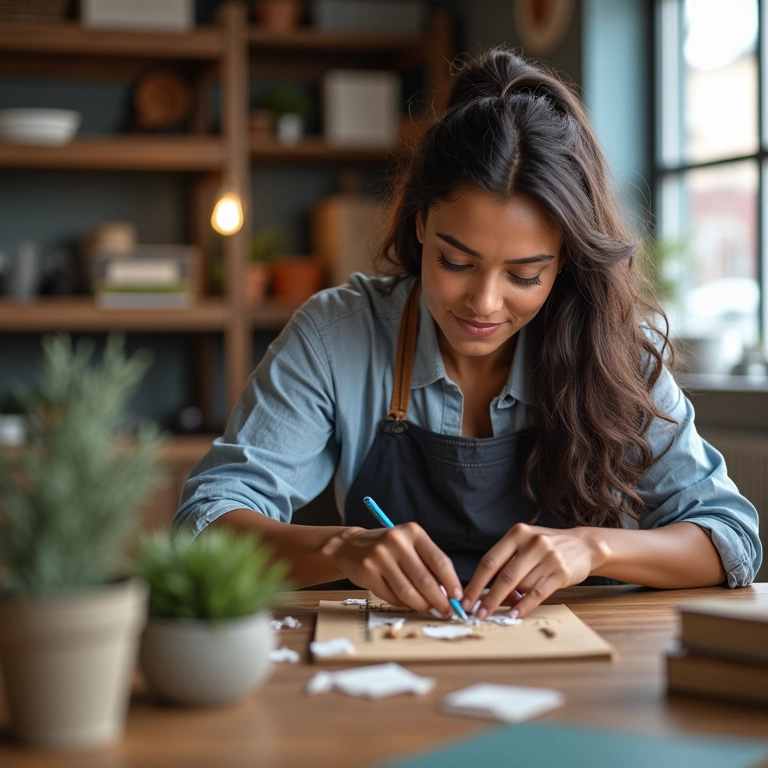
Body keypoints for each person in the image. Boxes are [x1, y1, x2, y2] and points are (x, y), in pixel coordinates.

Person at [174, 48, 762, 622]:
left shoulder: (615, 352)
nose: (483, 303)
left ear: (564, 261)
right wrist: (340, 547)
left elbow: (730, 538)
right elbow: (204, 524)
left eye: (524, 276)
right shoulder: (337, 335)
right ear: (421, 224)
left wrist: (594, 547)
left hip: (581, 661)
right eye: (456, 262)